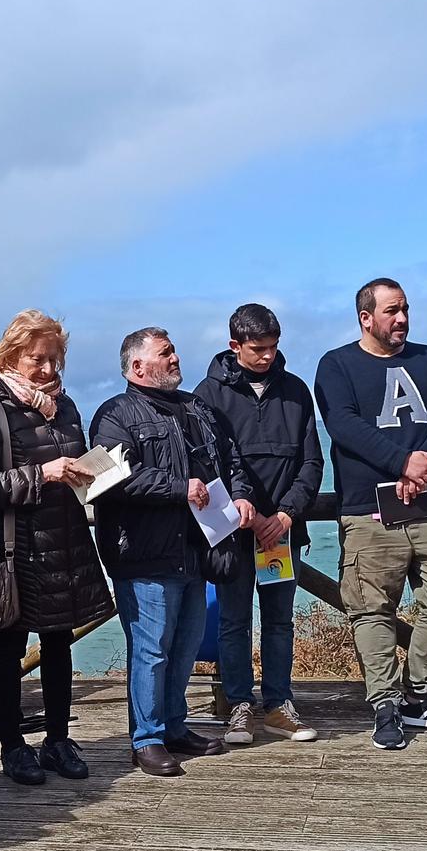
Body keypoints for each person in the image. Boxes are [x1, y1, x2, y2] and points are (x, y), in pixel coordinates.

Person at [314, 278, 427, 750]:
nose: (401, 318)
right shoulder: (337, 364)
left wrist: (420, 462)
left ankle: (420, 692)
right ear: (366, 317)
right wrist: (400, 462)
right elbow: (343, 425)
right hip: (369, 512)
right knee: (371, 608)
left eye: (405, 308)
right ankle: (384, 703)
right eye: (391, 311)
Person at [91, 327, 259, 777]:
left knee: (183, 647)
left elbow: (232, 461)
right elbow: (109, 480)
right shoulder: (115, 413)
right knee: (151, 650)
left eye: (173, 350)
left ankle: (174, 727)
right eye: (165, 353)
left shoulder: (196, 407)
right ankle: (145, 740)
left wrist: (241, 496)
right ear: (137, 367)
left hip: (195, 550)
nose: (175, 358)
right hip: (143, 553)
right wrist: (178, 488)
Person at [0, 311, 113, 785]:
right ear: (10, 355)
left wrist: (95, 472)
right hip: (15, 548)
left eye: (55, 359)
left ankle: (57, 739)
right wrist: (43, 474)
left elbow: (78, 463)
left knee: (59, 643)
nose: (49, 370)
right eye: (37, 360)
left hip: (66, 539)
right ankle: (12, 746)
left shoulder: (66, 407)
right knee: (8, 651)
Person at [193, 302, 323, 744]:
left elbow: (311, 462)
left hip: (281, 534)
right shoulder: (207, 395)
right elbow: (211, 463)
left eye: (273, 347)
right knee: (232, 622)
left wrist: (285, 515)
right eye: (257, 348)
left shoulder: (296, 391)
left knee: (279, 621)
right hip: (233, 530)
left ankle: (278, 704)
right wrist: (245, 509)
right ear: (235, 345)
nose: (267, 356)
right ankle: (238, 705)